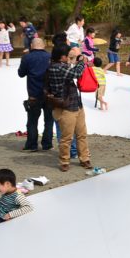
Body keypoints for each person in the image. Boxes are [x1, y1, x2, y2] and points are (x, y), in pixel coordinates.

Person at [47, 44, 93, 172]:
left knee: (82, 134)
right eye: (67, 55)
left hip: (76, 105)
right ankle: (64, 161)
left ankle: (84, 158)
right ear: (62, 57)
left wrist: (76, 59)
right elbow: (76, 73)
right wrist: (81, 61)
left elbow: (72, 70)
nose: (69, 57)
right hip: (65, 108)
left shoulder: (61, 65)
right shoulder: (56, 68)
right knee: (67, 137)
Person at [18, 37, 55, 151]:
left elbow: (21, 73)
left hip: (34, 94)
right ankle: (47, 144)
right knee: (49, 120)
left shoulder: (27, 57)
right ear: (43, 46)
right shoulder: (51, 57)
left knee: (32, 121)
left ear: (32, 46)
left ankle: (32, 145)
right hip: (49, 93)